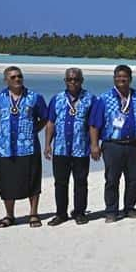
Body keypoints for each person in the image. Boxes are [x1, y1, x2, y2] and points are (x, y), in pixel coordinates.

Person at [0, 66, 49, 228]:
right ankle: (9, 215)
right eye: (13, 77)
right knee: (6, 182)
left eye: (19, 76)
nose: (17, 79)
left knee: (33, 181)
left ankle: (33, 214)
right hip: (5, 148)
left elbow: (44, 117)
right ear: (6, 80)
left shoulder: (35, 97)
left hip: (29, 147)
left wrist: (33, 130)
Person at [89, 65, 136, 222]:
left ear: (130, 79)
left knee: (133, 179)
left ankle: (130, 208)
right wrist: (94, 145)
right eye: (118, 77)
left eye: (124, 77)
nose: (121, 79)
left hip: (135, 144)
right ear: (114, 78)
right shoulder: (103, 98)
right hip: (112, 145)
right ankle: (111, 211)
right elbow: (95, 124)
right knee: (111, 179)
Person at [43, 68, 96, 226]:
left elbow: (93, 124)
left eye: (76, 79)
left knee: (81, 181)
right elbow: (51, 123)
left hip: (81, 148)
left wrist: (94, 145)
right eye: (70, 79)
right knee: (60, 182)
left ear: (82, 80)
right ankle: (61, 214)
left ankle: (79, 212)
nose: (73, 82)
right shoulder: (57, 99)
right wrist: (47, 144)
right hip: (60, 149)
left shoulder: (90, 99)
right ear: (65, 81)